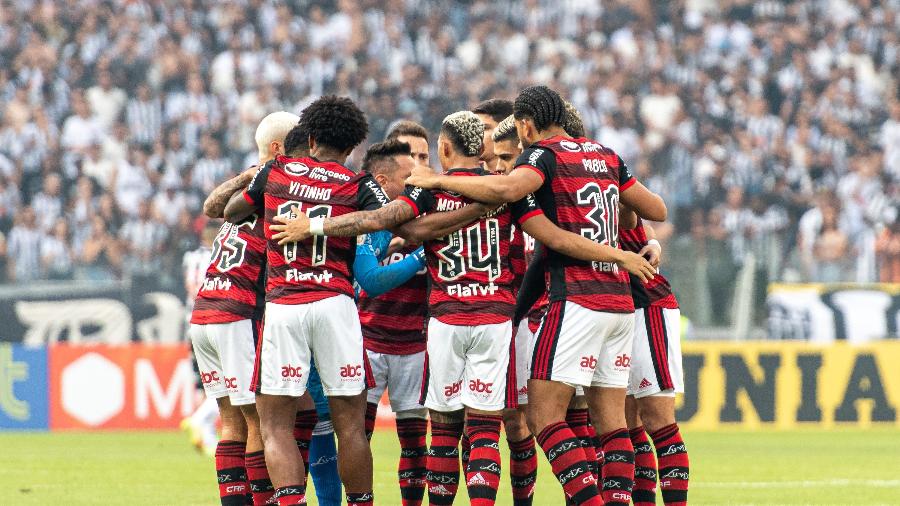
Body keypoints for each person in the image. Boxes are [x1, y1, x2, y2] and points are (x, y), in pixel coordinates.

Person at [268, 108, 655, 506]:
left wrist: (315, 226)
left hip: (447, 319)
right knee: (489, 430)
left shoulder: (429, 189)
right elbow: (537, 246)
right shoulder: (503, 189)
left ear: (444, 148)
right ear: (483, 148)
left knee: (444, 433)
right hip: (497, 317)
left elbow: (395, 221)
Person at [404, 86, 667, 505]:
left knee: (543, 416)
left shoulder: (541, 155)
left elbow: (511, 192)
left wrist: (436, 179)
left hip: (578, 299)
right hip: (619, 302)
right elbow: (656, 209)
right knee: (613, 423)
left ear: (525, 125)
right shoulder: (605, 155)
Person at [224, 96, 382, 506]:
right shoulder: (357, 183)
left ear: (309, 136)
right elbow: (392, 215)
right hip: (336, 303)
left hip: (284, 305)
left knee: (275, 425)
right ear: (352, 146)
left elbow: (230, 210)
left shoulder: (274, 171)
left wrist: (255, 182)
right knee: (350, 425)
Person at [189, 111, 299, 506]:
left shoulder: (240, 199)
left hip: (204, 311)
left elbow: (211, 207)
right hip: (237, 312)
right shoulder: (278, 192)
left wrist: (248, 174)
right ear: (279, 149)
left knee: (231, 422)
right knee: (259, 420)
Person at [619, 215, 690, 506]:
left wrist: (652, 242)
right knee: (622, 425)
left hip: (644, 305)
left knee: (656, 419)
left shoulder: (607, 175)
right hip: (606, 308)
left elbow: (648, 212)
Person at [472, 99, 514, 173]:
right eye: (472, 128)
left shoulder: (526, 175)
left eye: (484, 128)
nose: (474, 134)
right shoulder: (465, 176)